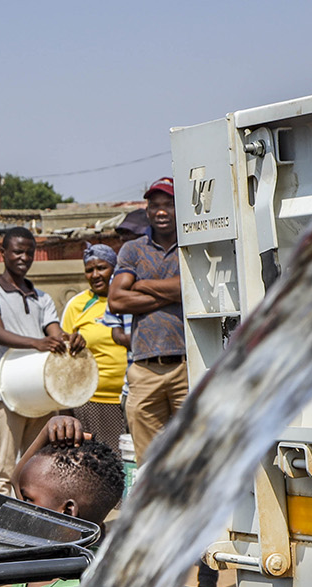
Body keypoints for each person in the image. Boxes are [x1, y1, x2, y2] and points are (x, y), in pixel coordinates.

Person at [0, 226, 73, 496]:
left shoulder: (42, 298)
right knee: (3, 469)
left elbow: (55, 334)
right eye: (17, 251)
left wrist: (70, 340)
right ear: (2, 253)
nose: (23, 257)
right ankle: (2, 529)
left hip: (41, 392)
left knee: (37, 466)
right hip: (8, 390)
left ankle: (31, 522)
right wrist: (36, 342)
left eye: (29, 252)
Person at [108, 178, 188, 457]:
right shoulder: (133, 250)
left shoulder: (192, 246)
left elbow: (191, 288)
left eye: (169, 204)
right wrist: (175, 292)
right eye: (155, 205)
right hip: (144, 369)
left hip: (186, 367)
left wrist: (142, 285)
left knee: (192, 455)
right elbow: (117, 299)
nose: (161, 211)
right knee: (150, 460)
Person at [64, 243, 127, 450]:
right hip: (94, 401)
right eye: (89, 270)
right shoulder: (77, 305)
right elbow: (63, 356)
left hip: (134, 396)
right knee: (103, 464)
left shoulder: (130, 298)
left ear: (114, 268)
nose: (95, 274)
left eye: (101, 267)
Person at [14, 415, 126, 523]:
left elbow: (17, 481)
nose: (18, 506)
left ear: (68, 511)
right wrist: (46, 431)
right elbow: (17, 479)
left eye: (28, 500)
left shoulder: (30, 534)